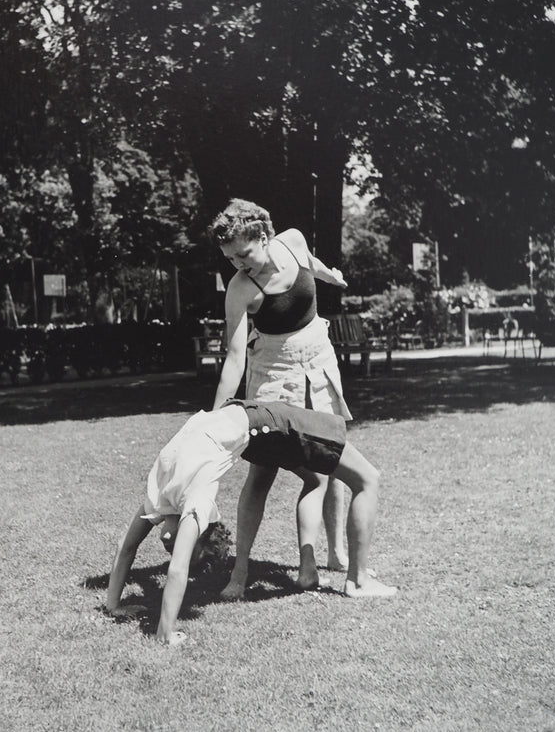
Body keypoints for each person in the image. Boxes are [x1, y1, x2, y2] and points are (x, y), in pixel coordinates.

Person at [104, 400, 397, 645]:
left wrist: (115, 606)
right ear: (200, 529)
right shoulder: (198, 502)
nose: (168, 544)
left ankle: (322, 573)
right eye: (180, 545)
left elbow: (130, 548)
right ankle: (358, 582)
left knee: (318, 479)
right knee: (368, 479)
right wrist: (164, 633)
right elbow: (175, 567)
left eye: (175, 544)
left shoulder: (160, 497)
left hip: (260, 424)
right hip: (262, 427)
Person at [209, 198, 351, 598]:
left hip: (317, 359)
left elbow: (311, 261)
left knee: (330, 457)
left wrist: (330, 276)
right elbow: (235, 357)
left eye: (243, 254)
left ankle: (336, 553)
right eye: (230, 259)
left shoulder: (292, 240)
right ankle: (239, 573)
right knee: (262, 472)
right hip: (272, 371)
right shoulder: (241, 289)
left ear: (264, 236)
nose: (238, 265)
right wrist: (217, 415)